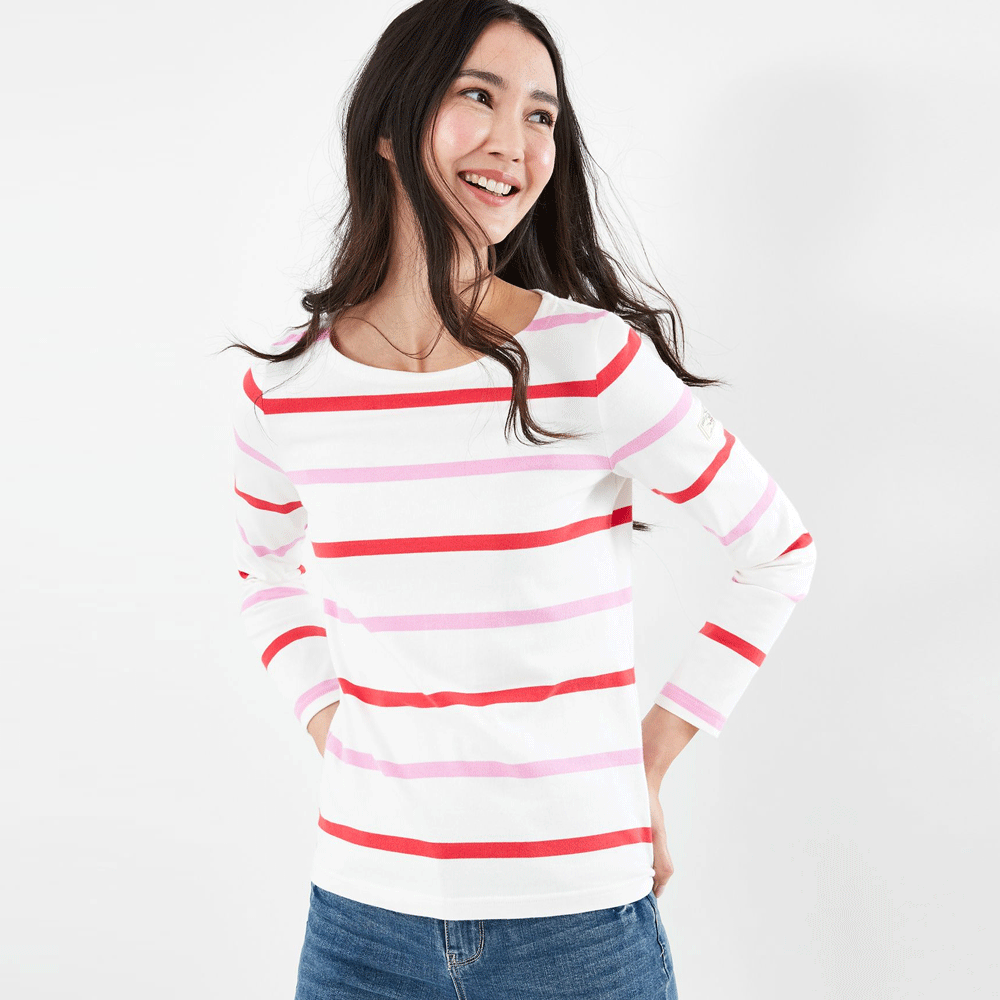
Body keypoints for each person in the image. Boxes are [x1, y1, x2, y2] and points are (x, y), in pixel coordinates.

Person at [223, 1, 817, 997]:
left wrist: (649, 758)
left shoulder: (591, 359)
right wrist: (335, 725)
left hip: (574, 926)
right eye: (479, 96)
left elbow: (778, 551)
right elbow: (263, 571)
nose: (515, 141)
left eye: (541, 114)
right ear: (388, 126)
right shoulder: (287, 391)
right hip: (360, 921)